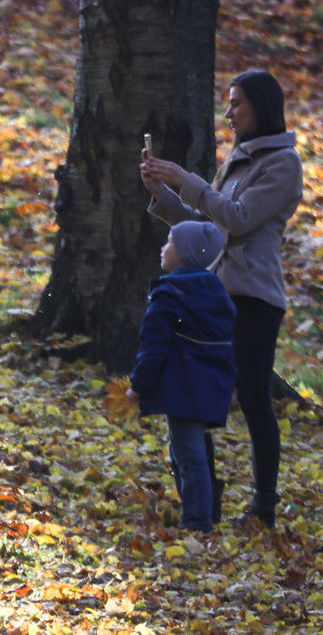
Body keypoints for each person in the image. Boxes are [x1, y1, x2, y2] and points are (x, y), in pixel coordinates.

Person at [140, 69, 303, 528]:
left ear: (261, 108)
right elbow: (209, 228)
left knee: (252, 395)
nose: (228, 113)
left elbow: (240, 217)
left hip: (254, 296)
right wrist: (163, 192)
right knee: (195, 393)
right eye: (228, 103)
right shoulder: (237, 159)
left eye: (237, 104)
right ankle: (203, 500)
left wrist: (187, 178)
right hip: (214, 293)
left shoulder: (283, 163)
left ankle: (263, 506)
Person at [126, 221, 236, 532]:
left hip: (182, 388)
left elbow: (154, 347)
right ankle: (199, 513)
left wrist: (138, 386)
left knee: (189, 458)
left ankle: (198, 522)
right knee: (187, 454)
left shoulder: (171, 294)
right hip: (210, 387)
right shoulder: (215, 292)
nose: (163, 248)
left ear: (186, 252)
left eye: (170, 242)